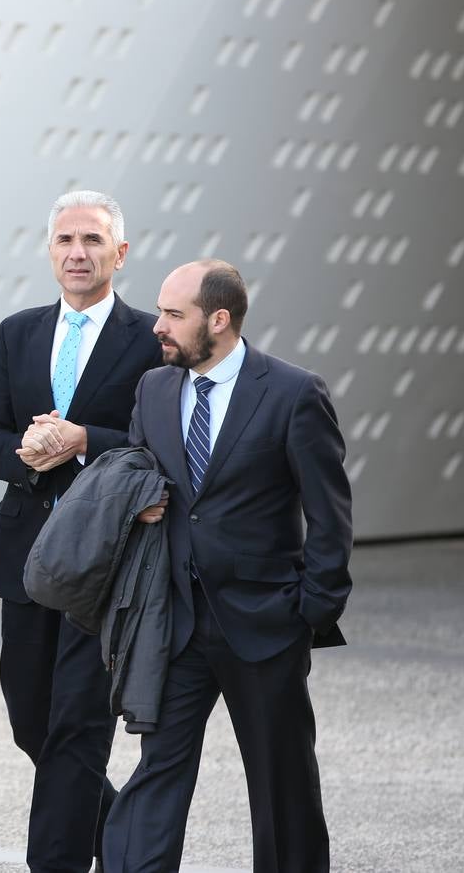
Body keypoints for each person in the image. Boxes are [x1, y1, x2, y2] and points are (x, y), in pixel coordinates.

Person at [104, 259, 353, 872]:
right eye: (160, 311)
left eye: (173, 314)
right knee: (156, 773)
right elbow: (138, 474)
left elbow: (330, 512)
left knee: (281, 782)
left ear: (219, 319)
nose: (158, 326)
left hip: (266, 623)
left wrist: (312, 610)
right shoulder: (153, 388)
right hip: (174, 621)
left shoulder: (294, 392)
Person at [0, 189, 162, 873]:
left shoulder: (151, 338)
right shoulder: (18, 331)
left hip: (107, 561)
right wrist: (25, 454)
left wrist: (85, 440)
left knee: (79, 724)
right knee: (32, 720)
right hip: (26, 554)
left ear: (120, 252)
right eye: (65, 241)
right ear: (49, 250)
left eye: (92, 241)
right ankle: (124, 836)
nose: (77, 253)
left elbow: (158, 440)